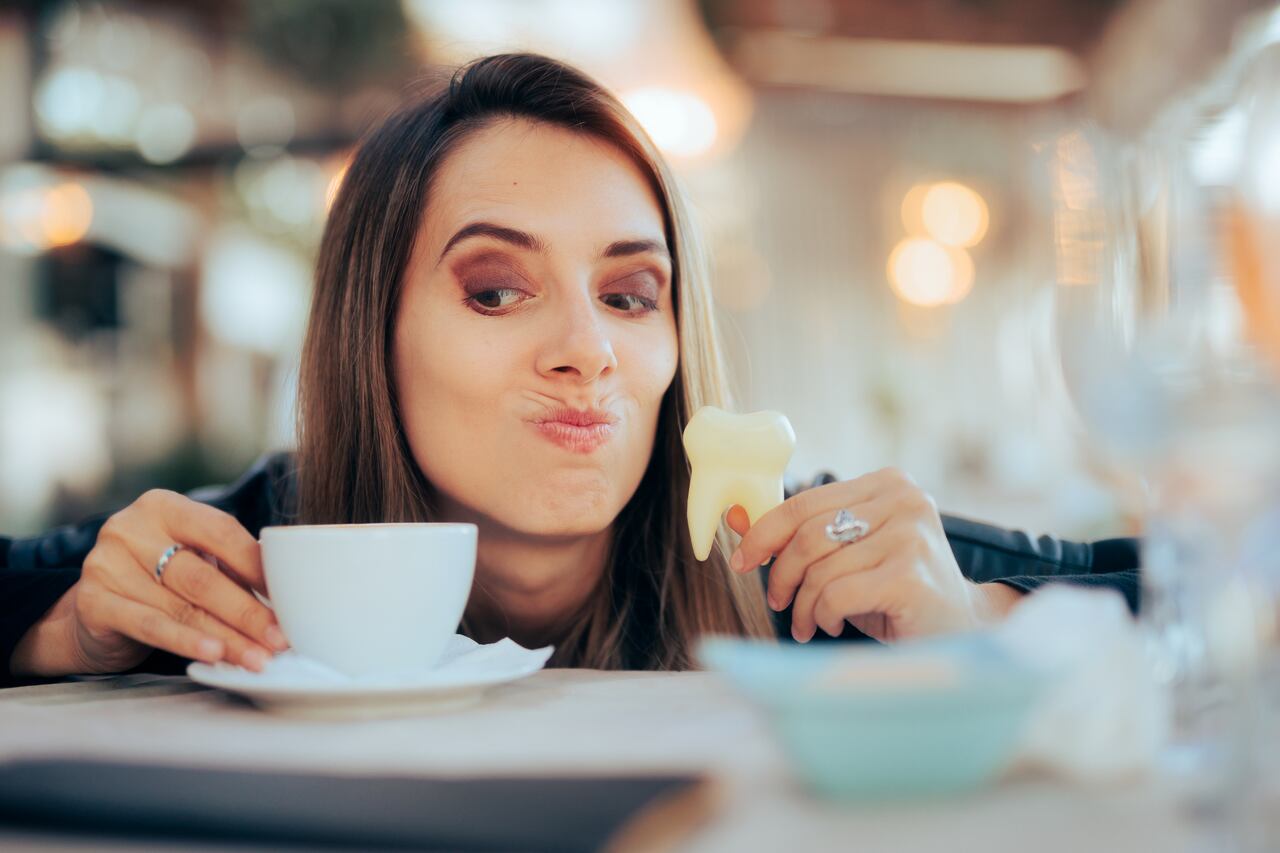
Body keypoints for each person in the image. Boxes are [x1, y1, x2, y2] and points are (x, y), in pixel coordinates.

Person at [0, 53, 1139, 685]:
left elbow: (1199, 602)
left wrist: (983, 626)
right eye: (495, 289)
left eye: (628, 295)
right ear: (369, 333)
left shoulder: (804, 570)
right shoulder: (256, 555)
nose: (586, 350)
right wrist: (64, 634)